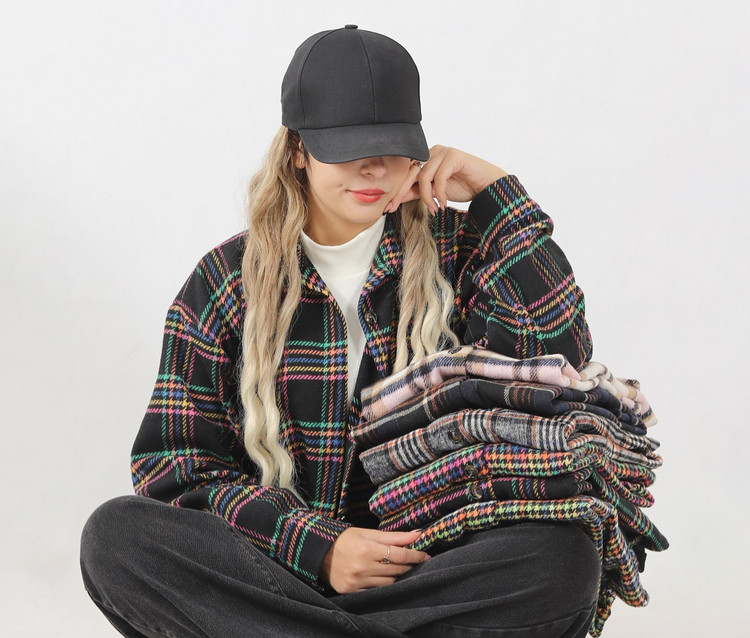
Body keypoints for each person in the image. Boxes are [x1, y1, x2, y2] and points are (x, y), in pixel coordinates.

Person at [80, 25, 601, 638]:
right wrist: (318, 548)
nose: (373, 166)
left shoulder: (461, 251)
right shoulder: (225, 281)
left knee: (563, 558)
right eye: (348, 147)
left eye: (392, 147)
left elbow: (557, 370)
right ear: (297, 152)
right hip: (279, 574)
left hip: (433, 570)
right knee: (116, 538)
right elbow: (174, 468)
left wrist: (497, 196)